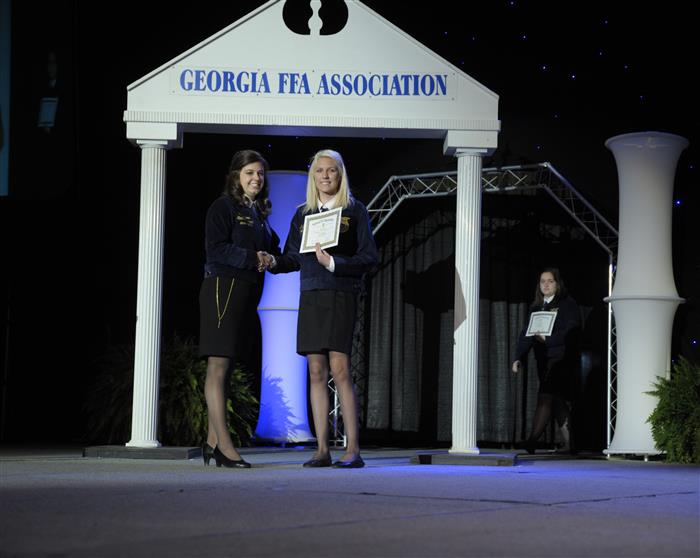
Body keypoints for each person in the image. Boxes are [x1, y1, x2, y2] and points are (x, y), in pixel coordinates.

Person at [260, 149, 378, 468]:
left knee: (340, 370)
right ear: (313, 176)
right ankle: (322, 450)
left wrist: (334, 263)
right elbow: (292, 257)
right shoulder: (303, 214)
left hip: (340, 293)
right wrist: (273, 262)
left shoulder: (354, 210)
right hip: (311, 294)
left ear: (340, 174)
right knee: (315, 370)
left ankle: (353, 450)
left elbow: (369, 257)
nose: (325, 176)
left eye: (331, 170)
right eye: (320, 171)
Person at [199, 149, 280, 468]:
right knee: (218, 366)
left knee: (228, 367)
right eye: (249, 172)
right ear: (236, 176)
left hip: (247, 292)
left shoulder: (258, 213)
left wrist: (278, 257)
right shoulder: (223, 206)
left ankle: (211, 441)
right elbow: (216, 249)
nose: (256, 178)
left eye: (260, 173)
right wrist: (253, 258)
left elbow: (275, 250)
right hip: (223, 289)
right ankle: (225, 447)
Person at [512, 268, 581, 454]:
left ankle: (532, 440)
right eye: (543, 281)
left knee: (546, 395)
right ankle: (570, 444)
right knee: (557, 399)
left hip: (561, 360)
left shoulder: (567, 304)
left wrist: (548, 339)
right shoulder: (536, 307)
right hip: (543, 362)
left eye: (550, 281)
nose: (546, 285)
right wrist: (518, 357)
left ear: (557, 283)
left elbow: (572, 331)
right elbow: (526, 334)